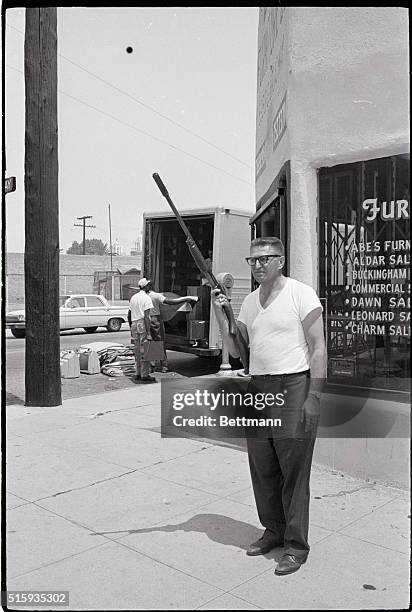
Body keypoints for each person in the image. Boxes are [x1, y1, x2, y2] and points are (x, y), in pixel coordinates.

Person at [212, 236, 326, 576]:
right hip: (259, 387)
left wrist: (314, 396)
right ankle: (273, 530)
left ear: (281, 260)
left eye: (266, 258)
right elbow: (235, 349)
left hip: (293, 384)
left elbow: (319, 348)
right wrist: (222, 313)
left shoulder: (300, 294)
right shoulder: (248, 302)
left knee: (294, 471)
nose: (259, 265)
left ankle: (296, 545)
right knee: (263, 467)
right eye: (253, 260)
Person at [137, 278, 198, 372]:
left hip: (144, 320)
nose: (151, 285)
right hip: (155, 319)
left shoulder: (140, 297)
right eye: (150, 284)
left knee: (151, 342)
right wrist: (186, 299)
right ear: (147, 286)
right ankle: (163, 366)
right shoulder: (155, 295)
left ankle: (152, 366)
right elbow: (170, 302)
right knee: (159, 342)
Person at [129, 285, 157, 383]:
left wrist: (131, 328)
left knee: (137, 349)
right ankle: (145, 374)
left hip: (134, 324)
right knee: (144, 349)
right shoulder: (146, 298)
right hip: (142, 324)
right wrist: (149, 332)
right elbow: (146, 316)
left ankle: (138, 373)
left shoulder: (133, 297)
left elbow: (129, 314)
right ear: (146, 287)